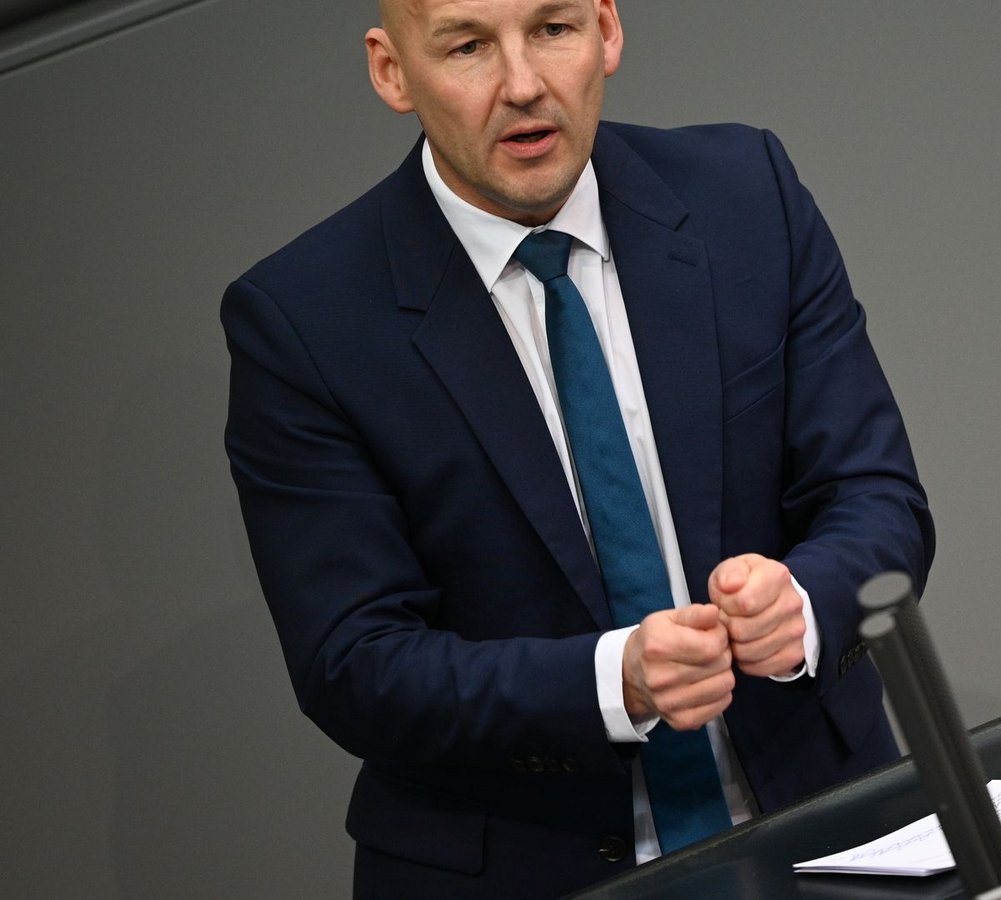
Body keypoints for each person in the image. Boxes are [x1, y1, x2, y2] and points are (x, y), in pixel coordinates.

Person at [221, 0, 932, 896]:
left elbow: (876, 495)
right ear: (392, 71)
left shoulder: (747, 194)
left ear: (606, 27)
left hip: (825, 830)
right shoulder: (304, 321)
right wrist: (615, 679)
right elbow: (354, 663)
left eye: (552, 28)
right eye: (470, 46)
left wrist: (801, 601)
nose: (523, 85)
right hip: (521, 867)